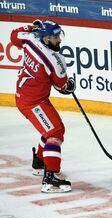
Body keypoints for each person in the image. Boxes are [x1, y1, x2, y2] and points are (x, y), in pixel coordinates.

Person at [10, 19, 76, 193]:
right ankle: (51, 178)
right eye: (55, 37)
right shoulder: (56, 60)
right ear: (46, 39)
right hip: (33, 103)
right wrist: (69, 86)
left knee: (55, 128)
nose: (59, 40)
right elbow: (61, 86)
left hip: (29, 97)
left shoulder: (30, 39)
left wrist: (30, 27)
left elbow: (13, 36)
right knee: (54, 132)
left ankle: (39, 161)